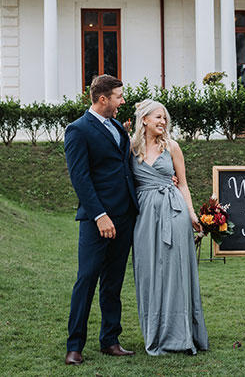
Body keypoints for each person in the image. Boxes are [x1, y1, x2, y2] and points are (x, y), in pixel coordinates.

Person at [63, 75, 139, 365]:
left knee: (113, 283)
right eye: (119, 96)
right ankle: (74, 346)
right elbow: (80, 178)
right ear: (103, 98)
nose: (123, 101)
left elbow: (123, 166)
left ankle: (110, 340)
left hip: (125, 216)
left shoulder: (118, 127)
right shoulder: (78, 130)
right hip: (98, 220)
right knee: (87, 280)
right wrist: (99, 215)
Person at [129, 99, 209, 355]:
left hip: (173, 212)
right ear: (144, 120)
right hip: (143, 216)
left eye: (164, 118)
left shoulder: (172, 147)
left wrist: (192, 213)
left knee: (175, 272)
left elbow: (183, 184)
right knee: (148, 272)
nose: (163, 122)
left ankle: (180, 335)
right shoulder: (130, 149)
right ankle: (155, 332)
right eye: (157, 117)